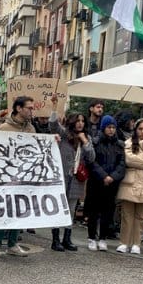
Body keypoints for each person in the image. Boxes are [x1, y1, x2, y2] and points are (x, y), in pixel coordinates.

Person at [0, 95, 37, 257]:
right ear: (19, 109)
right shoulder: (4, 128)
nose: (32, 110)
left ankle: (13, 243)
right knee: (3, 209)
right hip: (6, 176)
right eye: (29, 107)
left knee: (19, 209)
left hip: (23, 176)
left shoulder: (31, 129)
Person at [115, 118, 143, 254]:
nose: (142, 131)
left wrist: (138, 159)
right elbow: (129, 159)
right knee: (126, 214)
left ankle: (136, 243)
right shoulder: (128, 143)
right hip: (130, 181)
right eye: (140, 129)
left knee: (141, 216)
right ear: (135, 130)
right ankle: (124, 242)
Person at [47, 108, 87, 251]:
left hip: (76, 180)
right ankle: (55, 239)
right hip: (62, 177)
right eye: (77, 120)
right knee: (59, 208)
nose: (80, 124)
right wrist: (55, 106)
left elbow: (92, 157)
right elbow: (53, 124)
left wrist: (85, 142)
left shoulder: (85, 138)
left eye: (82, 121)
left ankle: (67, 238)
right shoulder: (64, 134)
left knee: (71, 210)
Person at [83, 114, 124, 251]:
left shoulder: (119, 145)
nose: (111, 130)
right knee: (93, 211)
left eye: (113, 127)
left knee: (108, 211)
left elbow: (122, 164)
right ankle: (91, 237)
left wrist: (112, 177)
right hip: (96, 182)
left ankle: (103, 238)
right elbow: (91, 162)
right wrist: (103, 176)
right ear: (103, 128)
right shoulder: (95, 142)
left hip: (112, 183)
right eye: (108, 127)